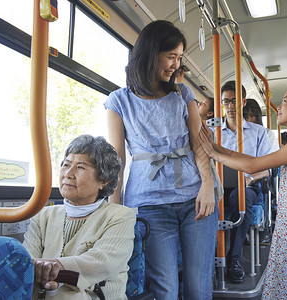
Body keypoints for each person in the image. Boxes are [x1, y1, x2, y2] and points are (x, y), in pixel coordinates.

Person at [104, 20, 218, 300]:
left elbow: (199, 145)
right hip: (149, 203)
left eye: (179, 58)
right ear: (150, 52)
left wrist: (207, 185)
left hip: (195, 198)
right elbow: (117, 159)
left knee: (197, 286)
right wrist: (112, 209)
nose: (175, 65)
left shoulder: (183, 94)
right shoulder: (119, 101)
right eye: (171, 56)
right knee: (164, 289)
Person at [199, 84, 287, 299]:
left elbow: (254, 166)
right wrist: (215, 148)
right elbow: (253, 160)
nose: (279, 107)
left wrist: (213, 153)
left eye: (285, 101)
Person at [23, 134, 136, 300]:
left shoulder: (120, 216)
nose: (68, 173)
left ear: (104, 180)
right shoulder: (43, 215)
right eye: (66, 164)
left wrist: (53, 270)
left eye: (80, 167)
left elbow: (103, 262)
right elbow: (26, 260)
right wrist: (43, 277)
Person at [218, 80, 271, 283]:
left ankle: (234, 258)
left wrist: (249, 178)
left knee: (239, 197)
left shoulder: (258, 133)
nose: (230, 106)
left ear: (243, 102)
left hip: (248, 184)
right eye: (226, 102)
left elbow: (266, 168)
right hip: (219, 184)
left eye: (234, 101)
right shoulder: (214, 132)